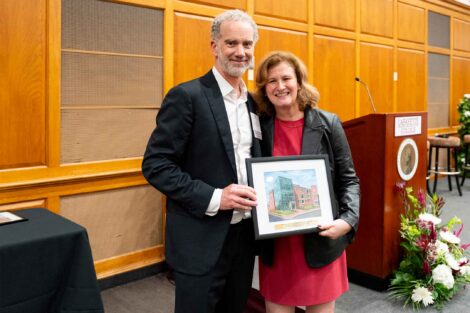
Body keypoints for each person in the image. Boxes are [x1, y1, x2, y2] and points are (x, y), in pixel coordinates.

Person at [142, 9, 262, 313]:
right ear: (214, 46)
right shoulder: (187, 96)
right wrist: (215, 197)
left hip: (244, 237)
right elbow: (156, 165)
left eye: (247, 44)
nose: (240, 52)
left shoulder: (254, 103)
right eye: (231, 43)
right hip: (200, 238)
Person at [252, 51, 360, 313]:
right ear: (264, 89)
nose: (280, 86)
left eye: (286, 78)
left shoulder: (328, 123)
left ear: (299, 82)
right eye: (271, 81)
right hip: (278, 248)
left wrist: (348, 220)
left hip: (321, 242)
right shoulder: (258, 126)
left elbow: (349, 179)